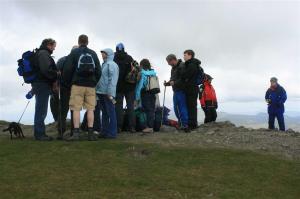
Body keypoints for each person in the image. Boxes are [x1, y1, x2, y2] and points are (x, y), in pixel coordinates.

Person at [65, 35, 101, 141]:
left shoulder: (74, 53)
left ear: (78, 42)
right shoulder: (93, 53)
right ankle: (90, 134)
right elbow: (98, 71)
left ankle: (76, 134)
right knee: (90, 109)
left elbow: (68, 69)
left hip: (77, 85)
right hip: (91, 85)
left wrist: (70, 82)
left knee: (76, 108)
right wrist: (94, 81)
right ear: (87, 42)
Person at [32, 38, 58, 141]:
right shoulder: (43, 54)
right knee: (41, 110)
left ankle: (39, 133)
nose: (54, 49)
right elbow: (46, 70)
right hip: (42, 85)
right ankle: (40, 134)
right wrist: (56, 74)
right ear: (49, 45)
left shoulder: (41, 53)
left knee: (40, 109)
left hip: (39, 84)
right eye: (53, 46)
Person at [50, 45, 78, 139]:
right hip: (76, 88)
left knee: (63, 110)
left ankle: (61, 132)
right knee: (74, 110)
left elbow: (56, 74)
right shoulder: (80, 61)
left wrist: (56, 85)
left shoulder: (63, 60)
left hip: (64, 88)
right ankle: (74, 132)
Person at [96, 48, 119, 138]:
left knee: (111, 112)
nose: (102, 54)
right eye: (102, 53)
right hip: (101, 92)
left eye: (104, 53)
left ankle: (112, 133)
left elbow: (112, 80)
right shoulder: (105, 64)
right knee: (105, 112)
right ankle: (104, 131)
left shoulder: (111, 65)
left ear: (108, 54)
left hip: (108, 93)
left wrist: (110, 92)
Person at [113, 43, 136, 133]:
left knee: (118, 107)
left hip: (118, 87)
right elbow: (136, 69)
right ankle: (132, 127)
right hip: (130, 87)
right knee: (131, 107)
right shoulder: (129, 58)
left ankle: (118, 127)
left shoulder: (114, 58)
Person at [165, 54, 189, 132]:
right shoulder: (173, 68)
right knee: (176, 108)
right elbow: (173, 79)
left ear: (173, 60)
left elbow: (184, 79)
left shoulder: (181, 66)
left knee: (181, 107)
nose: (168, 64)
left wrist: (174, 83)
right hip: (176, 91)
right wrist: (167, 83)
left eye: (168, 62)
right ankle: (181, 123)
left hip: (181, 90)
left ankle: (184, 124)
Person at [182, 49, 203, 130]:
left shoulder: (192, 64)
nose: (184, 57)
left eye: (185, 55)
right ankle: (192, 124)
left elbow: (186, 75)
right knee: (192, 106)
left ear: (190, 55)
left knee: (191, 107)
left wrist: (183, 74)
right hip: (193, 88)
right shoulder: (193, 64)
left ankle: (192, 125)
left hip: (191, 88)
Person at [135, 59, 158, 133]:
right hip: (153, 93)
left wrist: (137, 97)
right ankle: (150, 126)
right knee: (151, 110)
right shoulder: (153, 73)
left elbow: (140, 86)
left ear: (141, 65)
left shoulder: (142, 73)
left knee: (146, 110)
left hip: (145, 93)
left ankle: (149, 127)